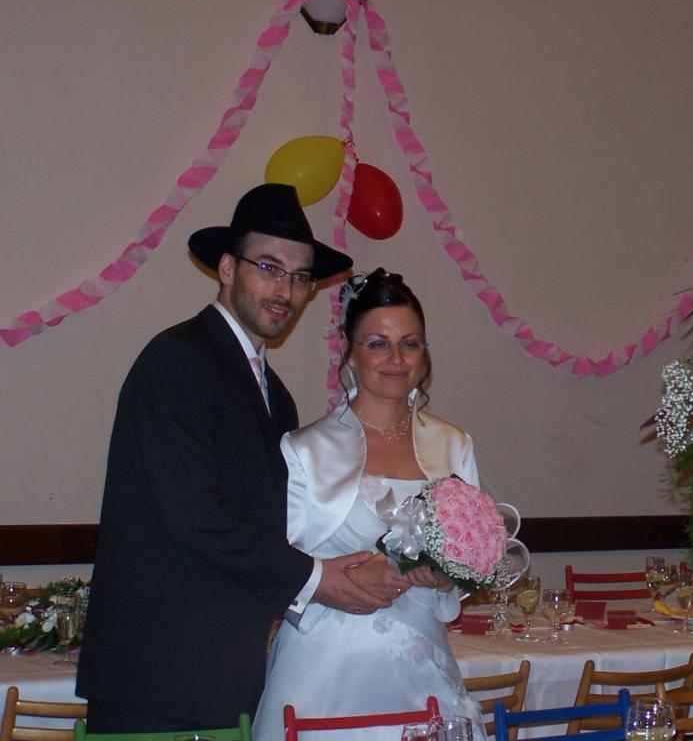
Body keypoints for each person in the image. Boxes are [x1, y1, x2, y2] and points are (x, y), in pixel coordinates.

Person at [77, 185, 412, 732]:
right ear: (227, 268)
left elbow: (276, 522)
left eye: (300, 277)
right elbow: (194, 516)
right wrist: (316, 578)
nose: (285, 290)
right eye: (269, 267)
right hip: (158, 676)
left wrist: (374, 564)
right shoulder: (177, 361)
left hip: (226, 672)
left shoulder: (275, 394)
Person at [253, 269, 486, 741]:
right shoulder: (304, 449)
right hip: (325, 670)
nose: (396, 359)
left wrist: (446, 576)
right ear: (349, 349)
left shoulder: (453, 445)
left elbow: (468, 560)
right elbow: (278, 564)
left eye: (409, 344)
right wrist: (343, 579)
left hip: (421, 665)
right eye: (378, 344)